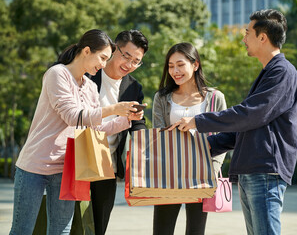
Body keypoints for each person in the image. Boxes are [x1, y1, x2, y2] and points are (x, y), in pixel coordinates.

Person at [170, 9, 297, 235]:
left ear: (262, 37)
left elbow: (249, 115)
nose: (243, 39)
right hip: (254, 170)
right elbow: (245, 127)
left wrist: (198, 121)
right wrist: (203, 147)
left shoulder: (282, 72)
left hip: (266, 170)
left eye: (247, 33)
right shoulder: (268, 72)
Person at [9, 29, 143, 235]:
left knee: (62, 230)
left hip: (67, 169)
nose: (104, 64)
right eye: (102, 58)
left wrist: (126, 120)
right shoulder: (57, 74)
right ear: (87, 51)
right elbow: (73, 116)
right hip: (35, 166)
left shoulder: (89, 86)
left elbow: (95, 129)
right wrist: (114, 109)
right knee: (22, 230)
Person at [152, 42, 227, 235]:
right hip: (168, 173)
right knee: (162, 230)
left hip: (202, 173)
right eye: (170, 66)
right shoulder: (161, 97)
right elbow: (158, 135)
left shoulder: (215, 97)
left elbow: (223, 136)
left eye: (180, 64)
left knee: (196, 231)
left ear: (195, 65)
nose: (175, 71)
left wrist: (214, 169)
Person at [88, 29, 148, 235]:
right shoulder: (90, 74)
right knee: (71, 223)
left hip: (108, 167)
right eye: (126, 56)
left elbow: (137, 124)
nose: (129, 65)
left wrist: (144, 142)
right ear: (114, 49)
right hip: (78, 159)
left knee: (99, 226)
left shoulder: (134, 88)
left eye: (136, 61)